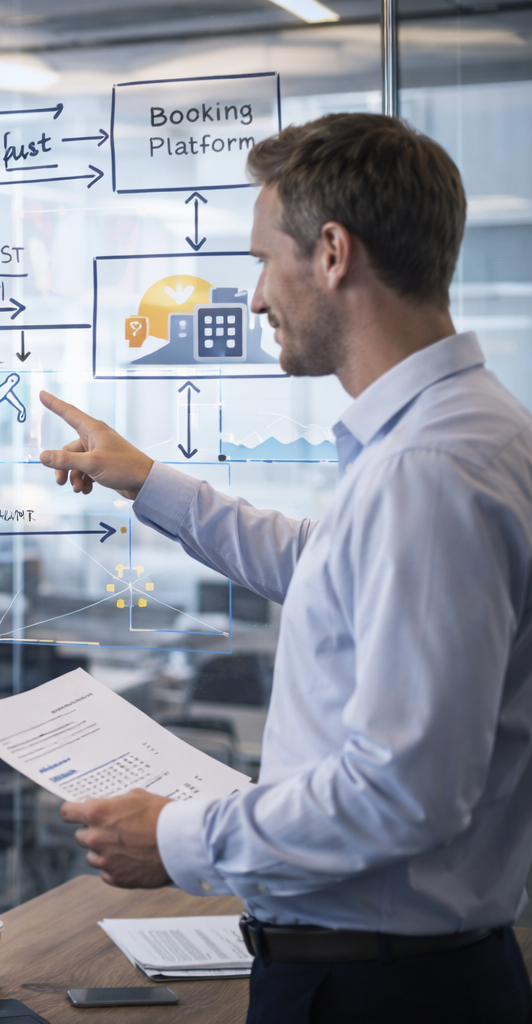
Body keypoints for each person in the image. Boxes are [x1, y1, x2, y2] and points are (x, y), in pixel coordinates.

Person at [38, 113, 532, 1021]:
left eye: (265, 261)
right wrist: (146, 480)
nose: (257, 299)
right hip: (397, 973)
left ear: (333, 253)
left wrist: (176, 838)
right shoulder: (456, 436)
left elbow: (404, 793)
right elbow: (327, 568)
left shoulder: (429, 471)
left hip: (383, 992)